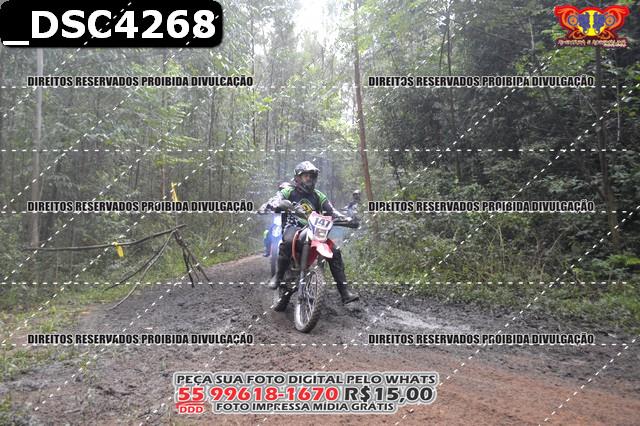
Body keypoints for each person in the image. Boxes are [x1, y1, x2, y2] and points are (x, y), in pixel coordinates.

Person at [264, 161, 359, 304]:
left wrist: (347, 219)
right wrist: (276, 203)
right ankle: (278, 276)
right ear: (298, 178)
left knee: (334, 251)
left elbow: (332, 211)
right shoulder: (289, 191)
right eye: (306, 176)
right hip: (293, 227)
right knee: (288, 241)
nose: (309, 179)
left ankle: (345, 292)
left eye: (312, 176)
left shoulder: (318, 195)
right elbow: (277, 198)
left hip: (314, 230)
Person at [259, 182, 291, 257]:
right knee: (267, 234)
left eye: (285, 189)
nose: (283, 191)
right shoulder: (275, 199)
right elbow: (266, 205)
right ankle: (267, 250)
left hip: (289, 223)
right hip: (277, 222)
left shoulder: (291, 200)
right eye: (281, 189)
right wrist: (262, 210)